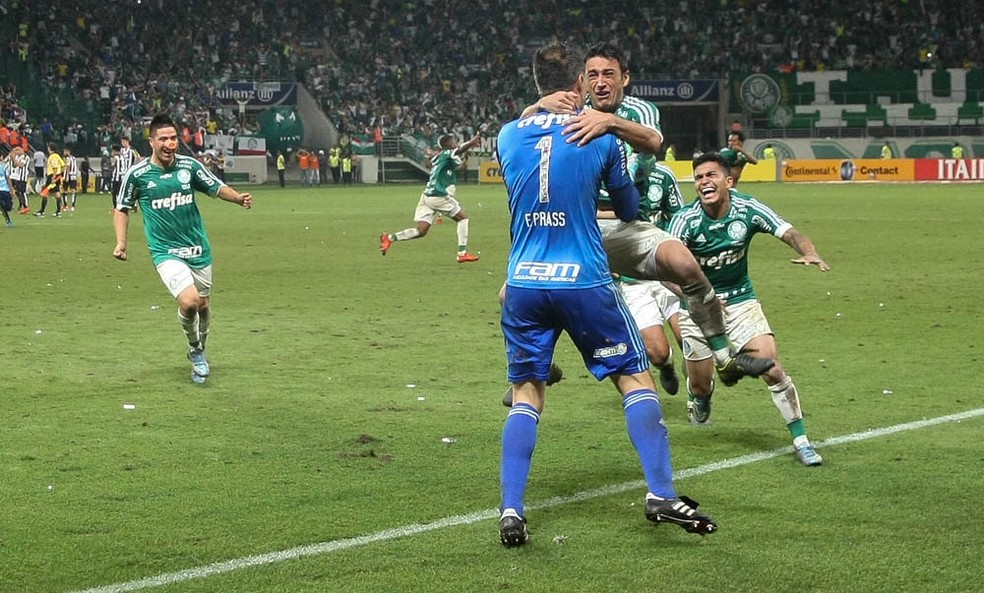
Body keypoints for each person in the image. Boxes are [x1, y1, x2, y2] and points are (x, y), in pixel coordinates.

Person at [495, 43, 717, 548]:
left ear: (534, 85)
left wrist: (534, 115)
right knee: (633, 379)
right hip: (583, 280)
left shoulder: (508, 135)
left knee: (527, 395)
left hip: (525, 282)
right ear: (577, 82)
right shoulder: (598, 137)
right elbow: (628, 204)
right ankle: (660, 492)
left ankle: (511, 509)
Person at [526, 41, 774, 390]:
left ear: (624, 78)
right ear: (582, 80)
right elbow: (519, 131)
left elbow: (654, 142)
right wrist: (537, 105)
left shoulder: (638, 110)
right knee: (515, 291)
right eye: (593, 75)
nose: (600, 82)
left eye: (608, 74)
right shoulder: (569, 107)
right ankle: (531, 367)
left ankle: (724, 358)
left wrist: (610, 122)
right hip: (579, 225)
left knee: (685, 264)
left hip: (626, 224)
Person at [668, 152, 829, 466]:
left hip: (741, 302)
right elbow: (664, 271)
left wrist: (810, 252)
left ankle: (801, 440)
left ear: (728, 181)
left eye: (711, 175)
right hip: (697, 306)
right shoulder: (685, 221)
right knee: (701, 384)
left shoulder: (748, 208)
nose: (704, 182)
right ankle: (700, 395)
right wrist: (692, 296)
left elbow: (790, 232)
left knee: (772, 368)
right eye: (699, 177)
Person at [112, 113, 253, 385]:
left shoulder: (189, 166)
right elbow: (122, 209)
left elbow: (215, 187)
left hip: (198, 248)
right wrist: (121, 243)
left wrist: (237, 198)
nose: (169, 143)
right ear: (151, 141)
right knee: (188, 302)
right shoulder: (138, 175)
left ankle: (200, 349)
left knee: (203, 306)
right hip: (165, 251)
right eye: (163, 139)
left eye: (173, 138)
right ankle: (195, 350)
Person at [379, 132, 482, 263]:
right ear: (449, 144)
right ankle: (462, 253)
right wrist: (472, 141)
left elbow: (452, 165)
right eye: (453, 142)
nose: (455, 143)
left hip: (427, 195)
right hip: (438, 196)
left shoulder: (440, 157)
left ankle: (389, 238)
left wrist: (463, 160)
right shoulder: (447, 153)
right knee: (463, 219)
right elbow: (460, 149)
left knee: (421, 230)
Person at [35, 143, 65, 218]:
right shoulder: (57, 156)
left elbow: (54, 167)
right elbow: (63, 166)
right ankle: (58, 212)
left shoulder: (52, 157)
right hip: (57, 176)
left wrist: (53, 177)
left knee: (45, 193)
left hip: (52, 176)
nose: (47, 149)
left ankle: (42, 211)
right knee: (57, 193)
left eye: (48, 147)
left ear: (50, 148)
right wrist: (59, 174)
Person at [0, 149, 15, 227]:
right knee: (2, 205)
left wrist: (11, 190)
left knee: (8, 207)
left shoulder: (4, 166)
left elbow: (8, 178)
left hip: (5, 189)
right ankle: (8, 220)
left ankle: (6, 209)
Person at [63, 146, 79, 211]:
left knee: (65, 190)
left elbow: (68, 167)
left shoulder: (68, 158)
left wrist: (66, 176)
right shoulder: (74, 158)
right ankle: (72, 206)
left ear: (68, 152)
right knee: (73, 191)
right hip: (74, 175)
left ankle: (66, 205)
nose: (64, 153)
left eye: (65, 152)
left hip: (69, 175)